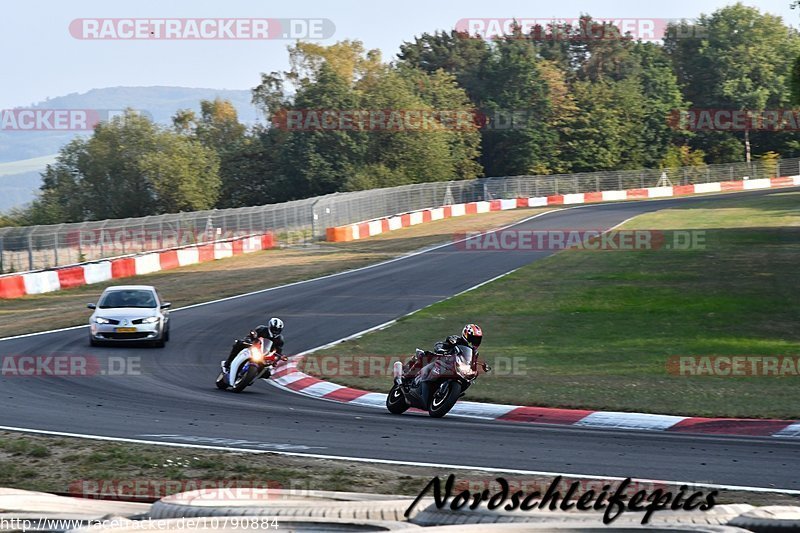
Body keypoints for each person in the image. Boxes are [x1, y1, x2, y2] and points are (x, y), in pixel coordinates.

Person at [402, 323, 484, 379]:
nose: (474, 342)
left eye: (477, 340)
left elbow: (472, 365)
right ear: (466, 334)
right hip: (441, 360)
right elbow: (439, 344)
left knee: (467, 380)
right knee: (425, 355)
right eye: (473, 339)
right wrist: (441, 350)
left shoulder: (474, 353)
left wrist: (474, 373)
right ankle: (406, 377)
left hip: (456, 369)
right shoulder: (455, 339)